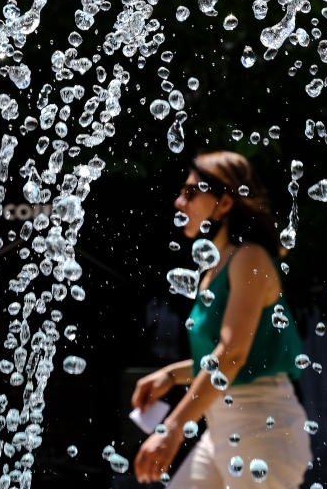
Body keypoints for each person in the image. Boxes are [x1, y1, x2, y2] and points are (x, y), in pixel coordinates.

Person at [132, 151, 312, 488]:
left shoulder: (250, 257)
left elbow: (231, 356)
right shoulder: (215, 268)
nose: (178, 203)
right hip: (221, 428)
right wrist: (171, 376)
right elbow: (235, 357)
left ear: (225, 203)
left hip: (263, 427)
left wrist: (170, 430)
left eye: (190, 193)